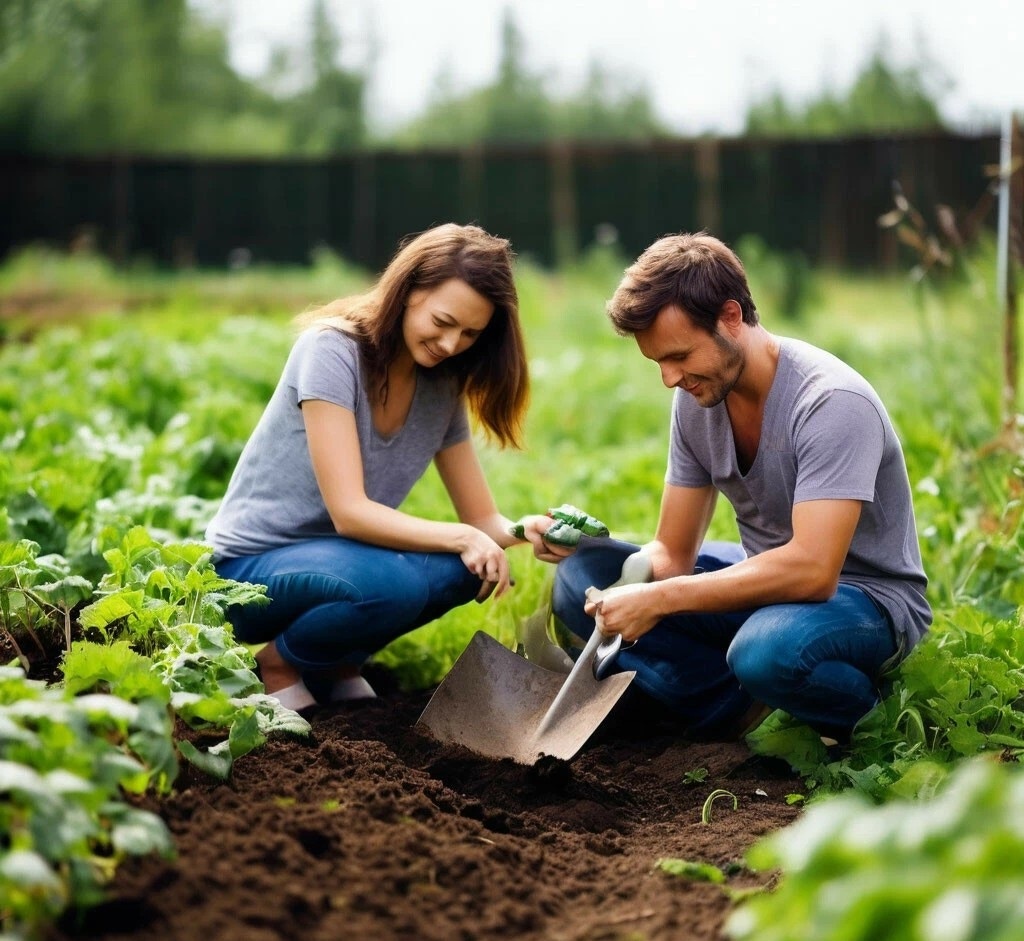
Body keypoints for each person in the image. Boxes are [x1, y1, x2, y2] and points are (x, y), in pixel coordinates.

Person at [552, 232, 932, 745]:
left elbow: (814, 572)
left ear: (731, 317)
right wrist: (630, 582)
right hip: (766, 585)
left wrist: (662, 599)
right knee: (582, 580)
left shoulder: (831, 402)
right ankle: (738, 705)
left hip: (864, 598)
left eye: (680, 355)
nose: (669, 379)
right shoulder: (697, 399)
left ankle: (865, 715)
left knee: (763, 652)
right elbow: (672, 550)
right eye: (657, 362)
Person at [206, 223, 559, 714]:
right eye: (443, 320)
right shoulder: (331, 351)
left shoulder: (442, 385)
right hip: (247, 572)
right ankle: (278, 664)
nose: (452, 343)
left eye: (471, 333)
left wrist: (526, 531)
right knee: (400, 583)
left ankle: (333, 660)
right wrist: (461, 537)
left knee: (465, 573)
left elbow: (481, 522)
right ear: (408, 290)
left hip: (337, 562)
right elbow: (349, 513)